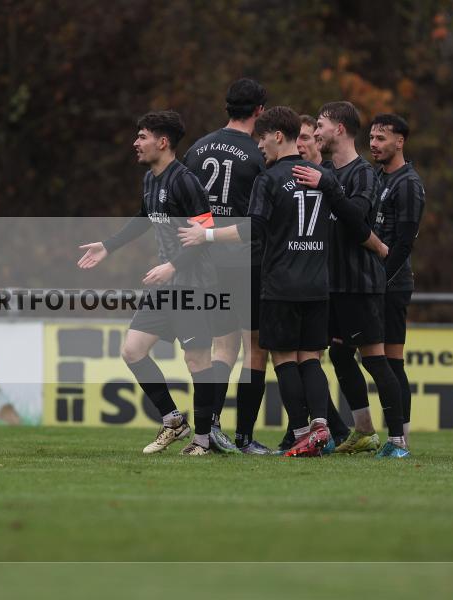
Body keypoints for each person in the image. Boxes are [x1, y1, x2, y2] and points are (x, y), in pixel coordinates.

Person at [179, 106, 388, 457]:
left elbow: (254, 229)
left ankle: (303, 433)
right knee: (311, 358)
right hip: (318, 285)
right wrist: (380, 246)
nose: (259, 146)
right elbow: (350, 219)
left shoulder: (270, 179)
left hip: (280, 284)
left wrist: (207, 235)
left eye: (262, 139)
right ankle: (321, 427)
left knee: (284, 359)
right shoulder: (322, 178)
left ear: (278, 136)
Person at [78, 110, 217, 456]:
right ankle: (174, 421)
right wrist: (108, 245)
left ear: (163, 142)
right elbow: (144, 217)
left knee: (197, 361)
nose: (135, 143)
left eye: (142, 137)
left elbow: (205, 234)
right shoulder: (151, 179)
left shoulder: (185, 181)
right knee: (133, 350)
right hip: (165, 284)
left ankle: (203, 440)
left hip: (193, 284)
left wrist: (173, 266)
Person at [181, 78, 271, 454]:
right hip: (247, 259)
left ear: (227, 107)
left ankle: (211, 426)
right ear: (260, 111)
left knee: (222, 347)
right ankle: (244, 437)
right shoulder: (259, 152)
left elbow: (184, 204)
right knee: (255, 348)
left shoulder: (197, 148)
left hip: (206, 262)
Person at [314, 101, 407, 457]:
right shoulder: (324, 170)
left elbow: (357, 221)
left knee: (374, 360)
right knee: (337, 355)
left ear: (339, 129)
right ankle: (364, 431)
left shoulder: (363, 174)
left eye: (320, 125)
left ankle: (397, 441)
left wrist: (327, 186)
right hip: (329, 284)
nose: (317, 131)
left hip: (358, 284)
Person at [370, 113, 425, 454]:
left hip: (391, 283)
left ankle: (400, 438)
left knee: (392, 361)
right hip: (373, 281)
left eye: (381, 138)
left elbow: (404, 244)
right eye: (372, 138)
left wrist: (381, 279)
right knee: (367, 357)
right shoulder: (378, 176)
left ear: (399, 142)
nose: (374, 144)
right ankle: (368, 430)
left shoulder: (408, 184)